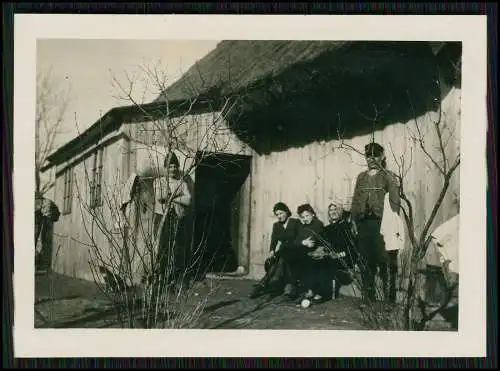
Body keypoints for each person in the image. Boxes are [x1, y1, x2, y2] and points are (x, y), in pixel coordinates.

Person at [350, 142, 401, 303]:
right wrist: (353, 220)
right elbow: (356, 200)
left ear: (382, 156)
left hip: (382, 225)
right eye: (368, 155)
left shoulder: (388, 176)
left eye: (375, 155)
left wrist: (393, 225)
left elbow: (394, 202)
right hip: (364, 225)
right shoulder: (361, 177)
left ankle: (388, 300)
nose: (371, 159)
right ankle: (368, 298)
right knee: (365, 262)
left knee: (384, 261)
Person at [152, 152, 193, 289]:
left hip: (178, 218)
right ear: (165, 167)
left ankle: (178, 279)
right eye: (170, 166)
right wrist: (178, 196)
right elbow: (160, 197)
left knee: (178, 249)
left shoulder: (182, 183)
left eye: (175, 166)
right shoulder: (159, 181)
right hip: (162, 218)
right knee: (163, 249)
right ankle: (161, 280)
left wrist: (172, 197)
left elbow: (188, 200)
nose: (173, 169)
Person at [249, 202, 301, 299]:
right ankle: (266, 284)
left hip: (295, 250)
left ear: (286, 211)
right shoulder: (276, 225)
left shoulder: (295, 222)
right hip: (282, 252)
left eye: (281, 213)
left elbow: (299, 238)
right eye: (277, 214)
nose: (279, 216)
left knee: (281, 258)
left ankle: (263, 284)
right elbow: (274, 240)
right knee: (277, 259)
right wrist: (272, 250)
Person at [313, 203, 359, 300]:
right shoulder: (326, 229)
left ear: (340, 212)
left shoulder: (346, 226)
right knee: (317, 261)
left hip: (344, 258)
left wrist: (338, 255)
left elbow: (351, 247)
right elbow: (322, 244)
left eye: (336, 209)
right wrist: (320, 251)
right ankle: (315, 291)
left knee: (328, 263)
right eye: (331, 210)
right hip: (330, 256)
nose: (333, 212)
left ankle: (325, 294)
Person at [291, 203, 326, 302]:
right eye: (303, 217)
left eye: (307, 216)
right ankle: (303, 289)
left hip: (317, 252)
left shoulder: (318, 224)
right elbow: (296, 240)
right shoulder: (302, 226)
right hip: (304, 252)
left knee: (308, 260)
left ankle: (311, 290)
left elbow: (313, 241)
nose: (305, 219)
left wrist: (303, 242)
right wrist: (303, 242)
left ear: (312, 214)